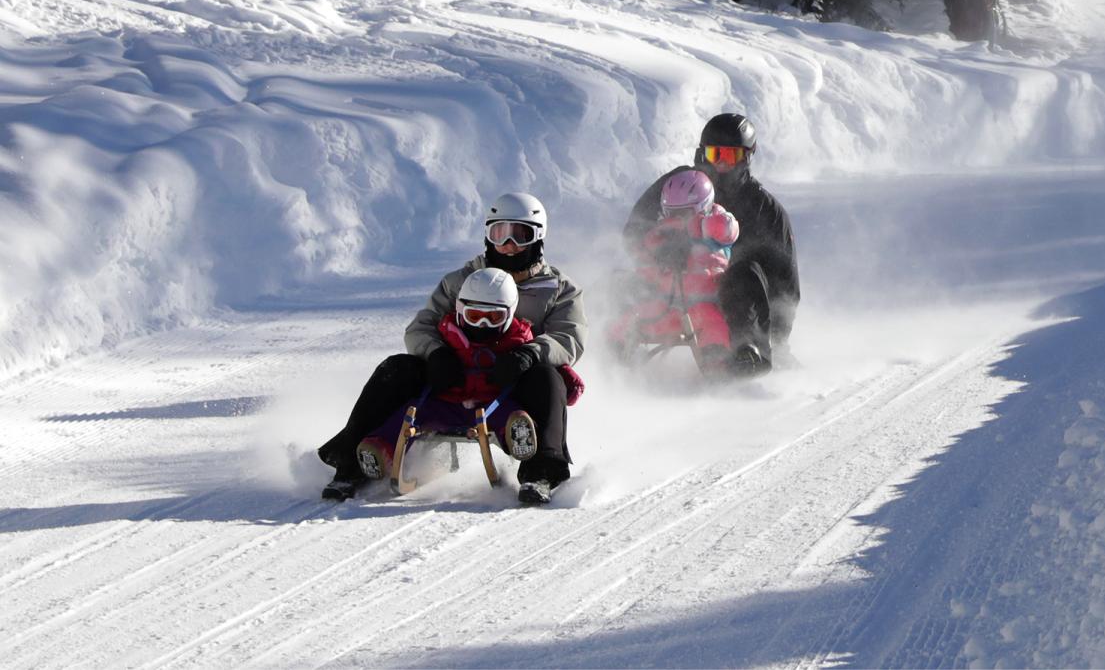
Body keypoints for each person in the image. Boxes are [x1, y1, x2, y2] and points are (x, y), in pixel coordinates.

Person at [317, 192, 585, 499]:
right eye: (499, 234)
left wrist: (529, 354)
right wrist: (437, 353)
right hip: (456, 373)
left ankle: (542, 471)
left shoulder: (558, 288)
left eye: (519, 236)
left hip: (513, 379)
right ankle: (351, 463)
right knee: (397, 368)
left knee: (548, 378)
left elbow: (569, 337)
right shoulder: (462, 280)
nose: (508, 245)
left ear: (537, 238)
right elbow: (422, 326)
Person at [624, 112, 799, 373]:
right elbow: (635, 229)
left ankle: (748, 352)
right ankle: (611, 349)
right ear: (702, 153)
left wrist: (780, 338)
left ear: (747, 157)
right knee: (620, 282)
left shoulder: (765, 209)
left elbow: (786, 283)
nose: (722, 165)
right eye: (715, 154)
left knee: (744, 272)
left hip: (734, 300)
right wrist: (661, 248)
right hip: (672, 285)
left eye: (731, 156)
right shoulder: (681, 184)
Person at [610, 169, 743, 373]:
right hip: (668, 305)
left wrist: (692, 228)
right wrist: (658, 252)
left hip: (705, 304)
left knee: (713, 324)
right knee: (629, 318)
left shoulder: (716, 222)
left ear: (704, 206)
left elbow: (727, 228)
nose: (677, 219)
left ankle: (717, 365)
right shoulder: (661, 234)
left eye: (685, 213)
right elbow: (644, 258)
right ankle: (614, 361)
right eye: (672, 214)